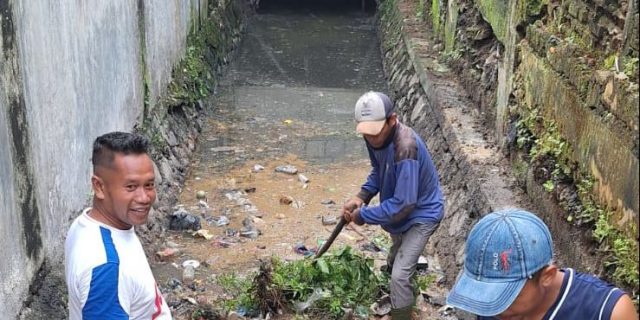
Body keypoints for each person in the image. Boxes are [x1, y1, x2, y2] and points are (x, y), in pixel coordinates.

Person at [342, 91, 444, 320]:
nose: (372, 140)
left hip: (422, 214)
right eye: (367, 134)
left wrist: (363, 215)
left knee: (399, 275)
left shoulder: (405, 147)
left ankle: (401, 315)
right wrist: (361, 196)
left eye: (376, 133)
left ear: (392, 120)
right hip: (399, 213)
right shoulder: (373, 136)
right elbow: (379, 170)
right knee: (397, 256)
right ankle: (401, 287)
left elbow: (403, 204)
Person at [446, 208, 638, 320]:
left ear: (547, 276)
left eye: (506, 294)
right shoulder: (493, 309)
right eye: (483, 293)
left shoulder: (607, 311)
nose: (493, 308)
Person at [65, 132, 172, 319]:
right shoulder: (107, 268)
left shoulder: (87, 224)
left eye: (149, 185)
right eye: (130, 187)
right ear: (99, 187)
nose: (144, 197)